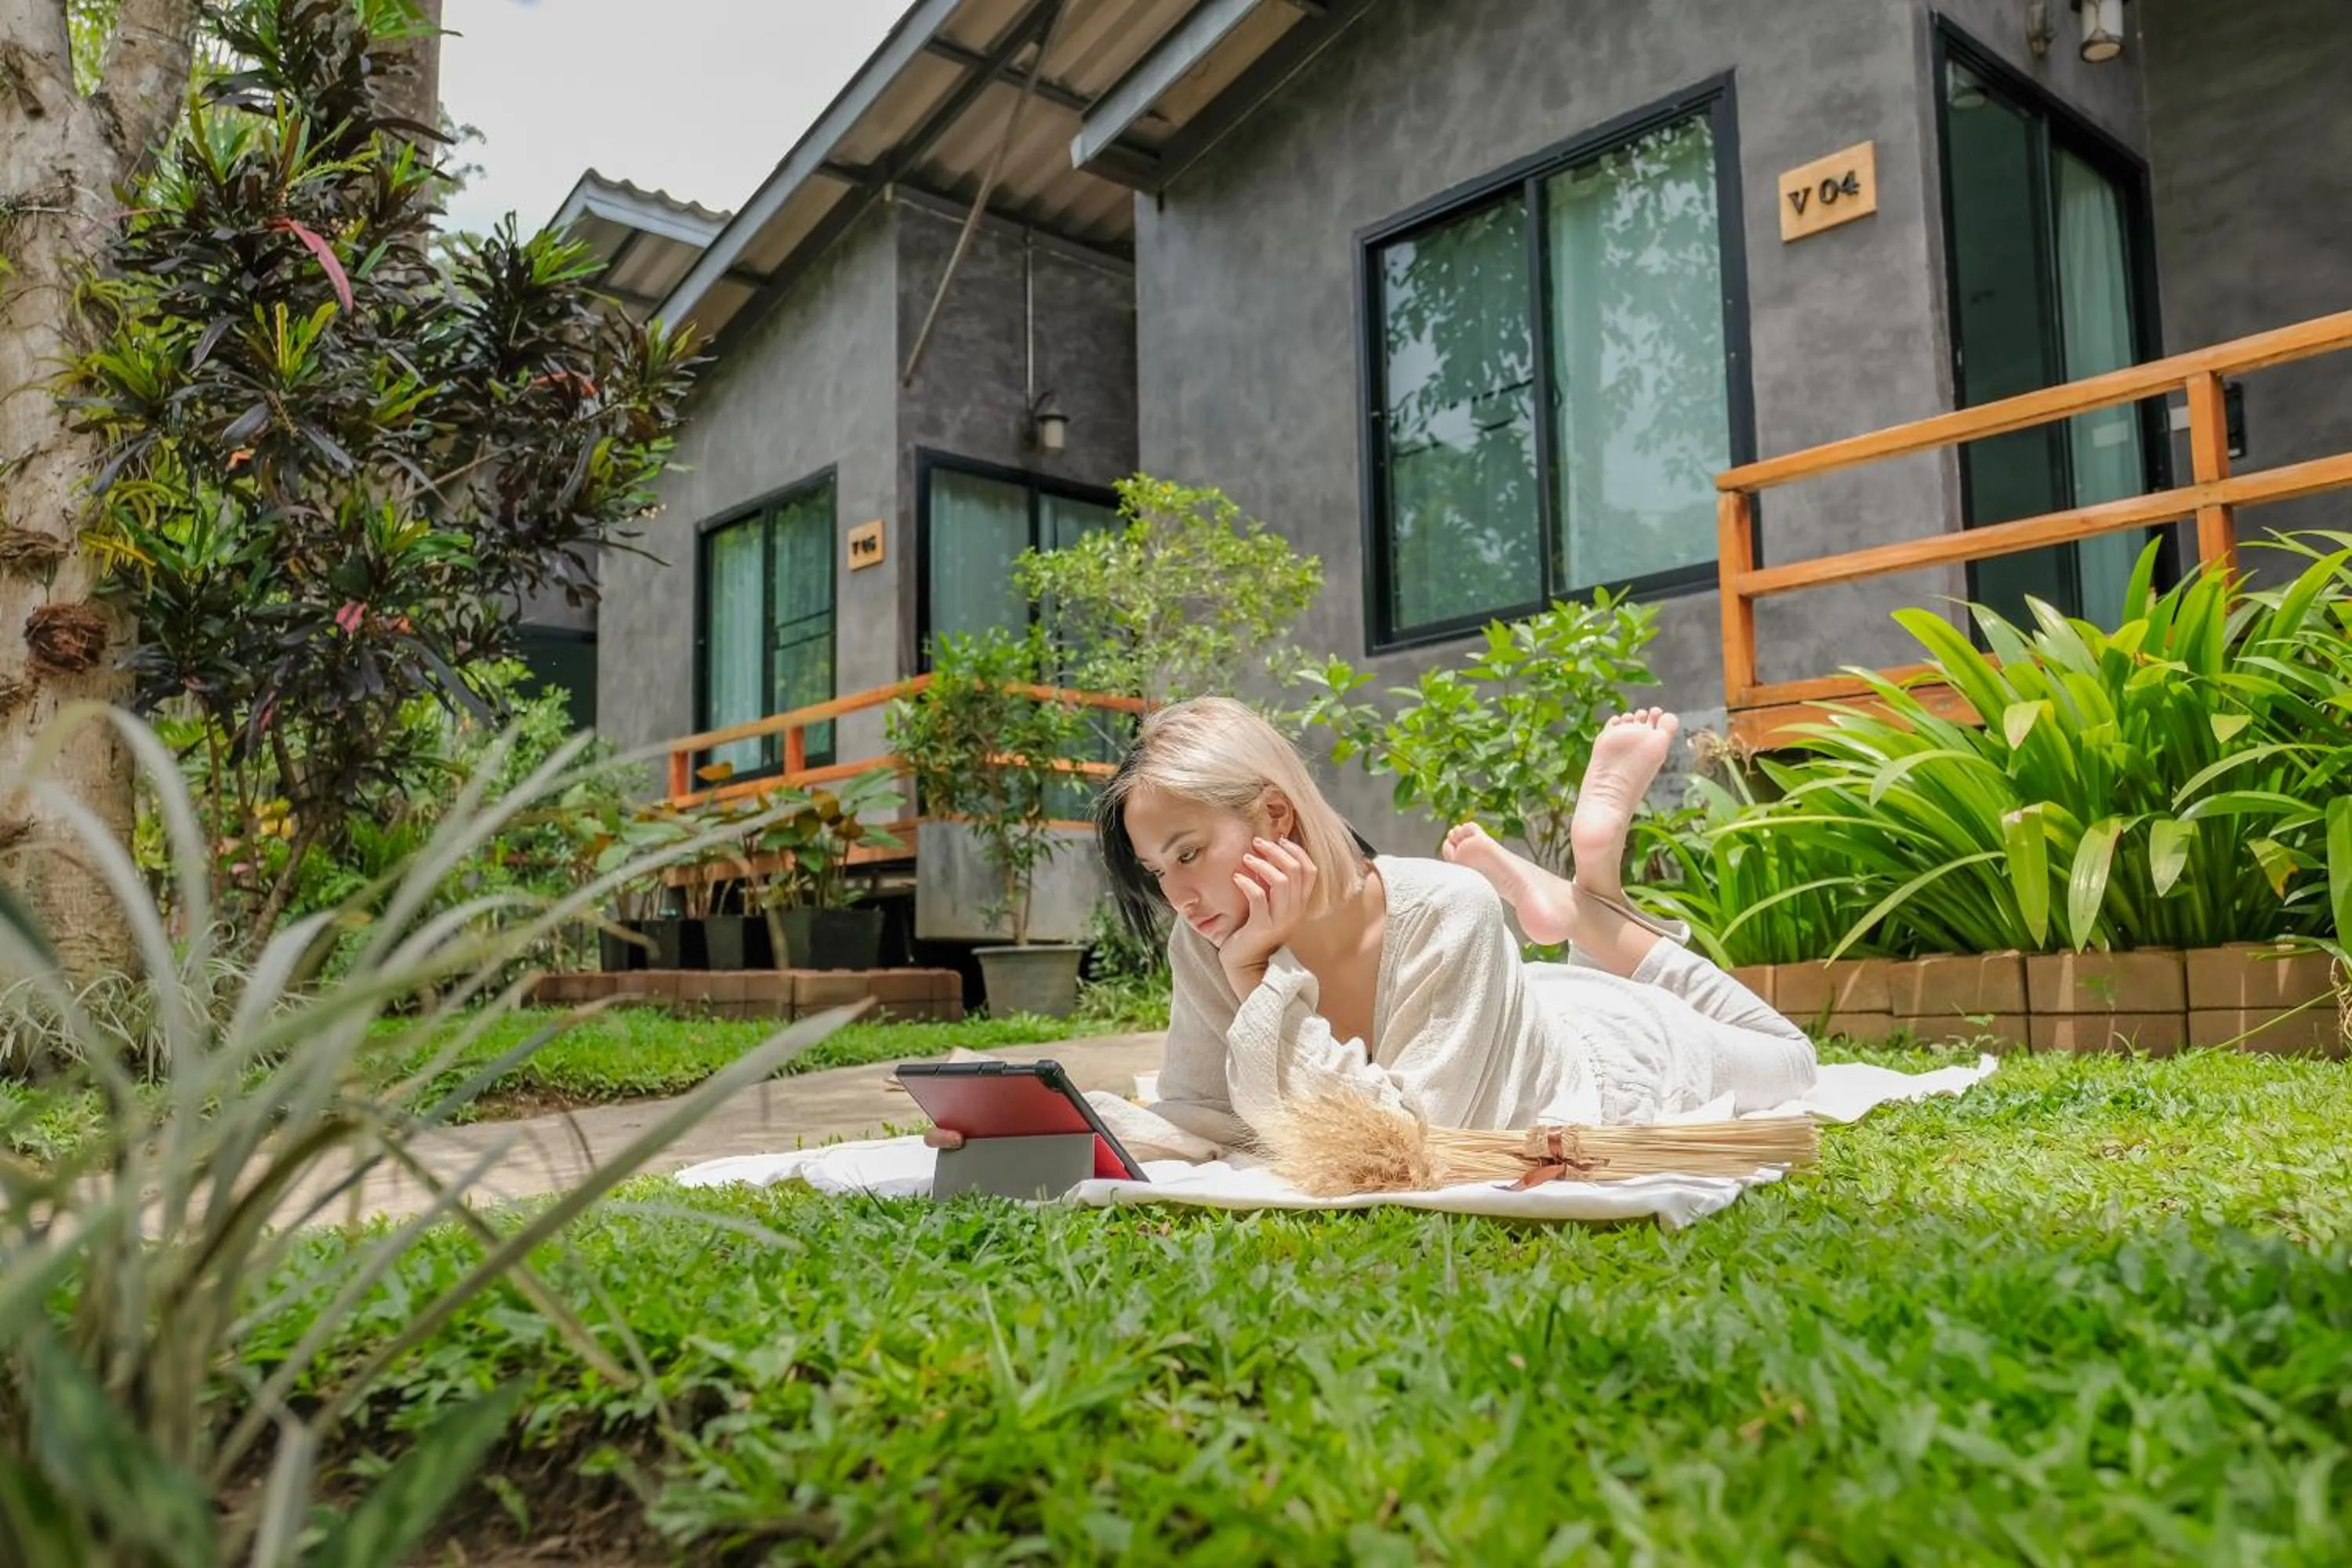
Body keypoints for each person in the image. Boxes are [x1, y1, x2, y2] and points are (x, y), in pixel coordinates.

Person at [929, 698, 1817, 1164]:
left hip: (1612, 1051)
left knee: (1789, 1057)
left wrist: (1259, 985)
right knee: (1554, 974)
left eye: (1190, 851)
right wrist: (1050, 1127)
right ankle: (1575, 907)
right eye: (1160, 871)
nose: (1181, 894)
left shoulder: (1446, 908)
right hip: (1504, 1006)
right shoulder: (1206, 937)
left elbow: (1413, 1143)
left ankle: (1589, 885)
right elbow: (1210, 1114)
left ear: (1275, 814)